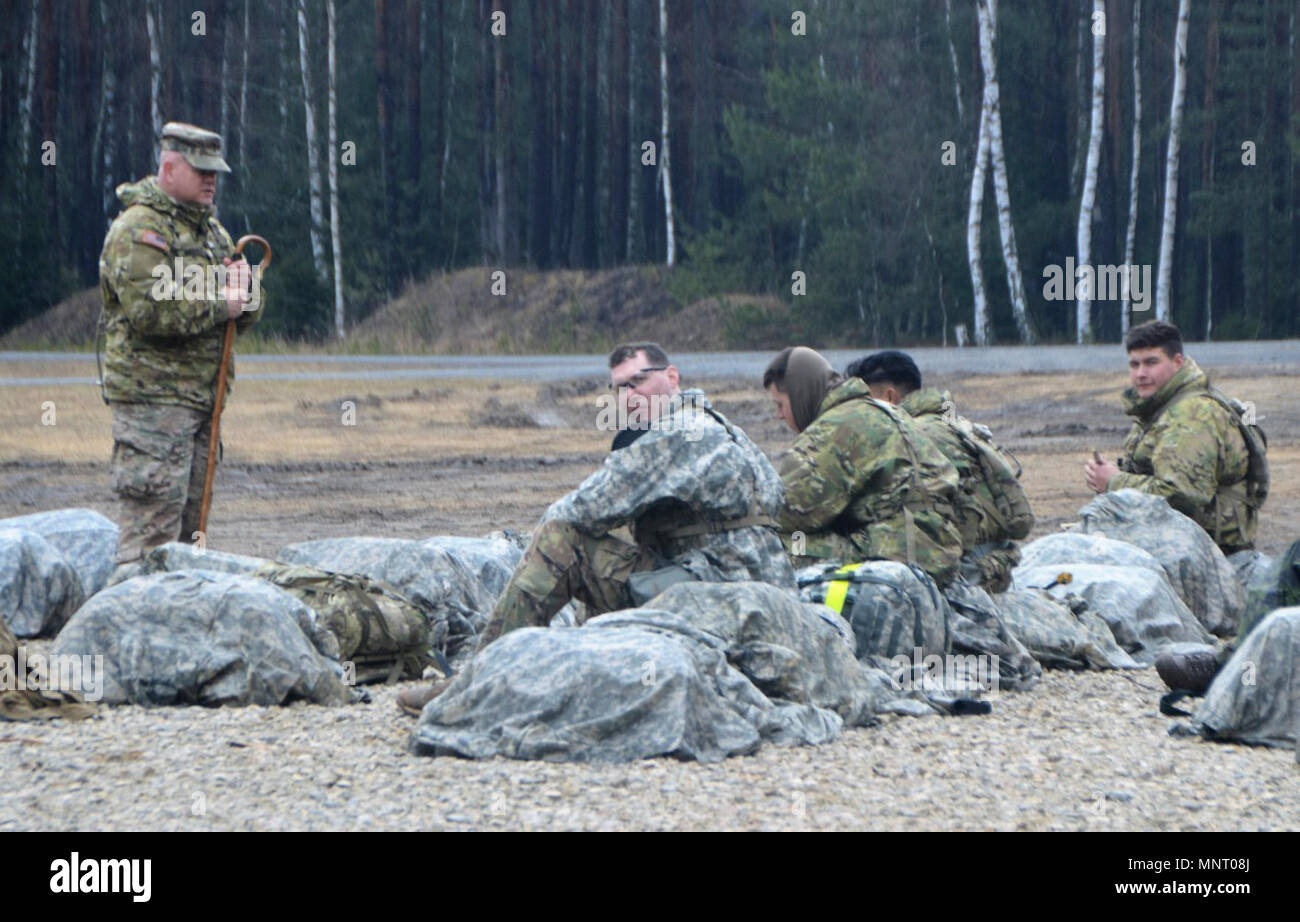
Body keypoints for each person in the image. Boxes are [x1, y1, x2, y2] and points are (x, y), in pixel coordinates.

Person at [397, 342, 795, 715]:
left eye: (638, 382)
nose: (628, 396)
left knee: (562, 542)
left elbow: (579, 511)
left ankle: (476, 682)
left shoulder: (672, 435)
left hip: (715, 600)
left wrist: (540, 551)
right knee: (614, 554)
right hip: (768, 603)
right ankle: (585, 668)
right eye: (619, 388)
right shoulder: (725, 428)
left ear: (672, 378)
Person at [99, 122, 262, 575]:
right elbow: (148, 310)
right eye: (201, 169)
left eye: (215, 171)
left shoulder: (213, 235)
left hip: (202, 405)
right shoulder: (140, 231)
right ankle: (132, 634)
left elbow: (242, 313)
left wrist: (246, 294)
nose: (212, 179)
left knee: (192, 541)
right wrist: (221, 303)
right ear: (169, 169)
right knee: (150, 542)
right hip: (153, 407)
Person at [763, 346, 964, 586]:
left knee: (772, 540)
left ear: (800, 394)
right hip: (932, 550)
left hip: (900, 556)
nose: (778, 415)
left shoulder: (836, 426)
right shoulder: (875, 411)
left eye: (780, 404)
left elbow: (783, 513)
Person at [846, 350, 1032, 593]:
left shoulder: (914, 436)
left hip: (968, 571)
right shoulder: (946, 423)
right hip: (992, 560)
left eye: (866, 402)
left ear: (889, 397)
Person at [1084, 320, 1262, 555]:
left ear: (1177, 362)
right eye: (1134, 364)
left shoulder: (1191, 415)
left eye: (1151, 363)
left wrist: (1114, 482)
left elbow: (1181, 495)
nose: (1141, 374)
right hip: (1179, 540)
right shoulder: (1160, 407)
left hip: (1207, 552)